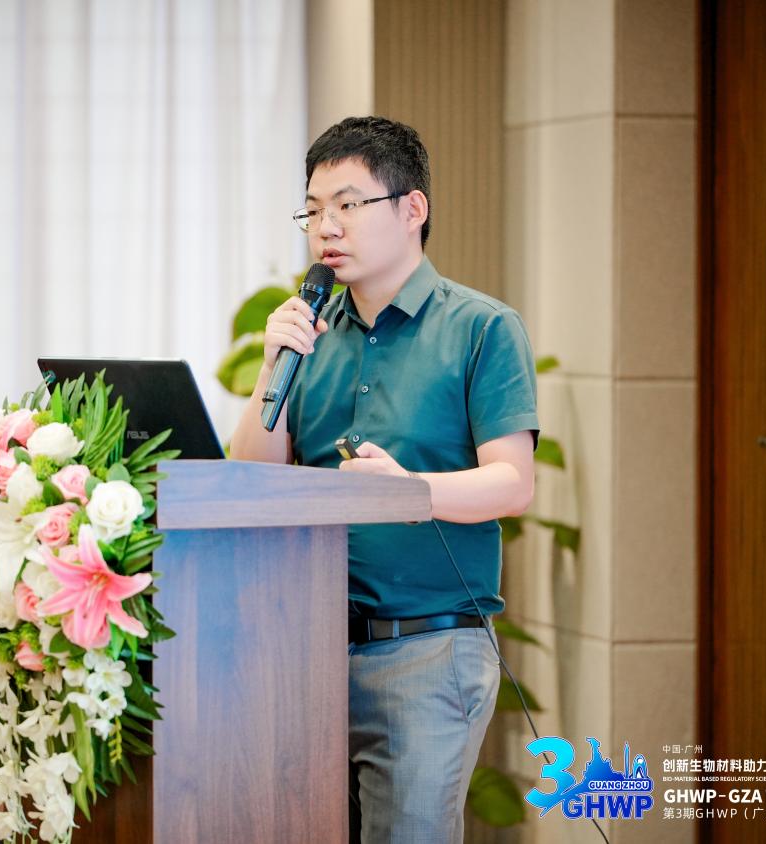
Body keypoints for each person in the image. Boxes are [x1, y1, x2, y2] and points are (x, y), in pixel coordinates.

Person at [230, 116, 540, 842]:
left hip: (425, 653)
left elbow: (512, 483)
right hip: (304, 647)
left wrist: (407, 489)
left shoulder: (481, 328)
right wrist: (272, 367)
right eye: (313, 210)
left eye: (347, 204)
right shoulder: (309, 333)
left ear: (411, 209)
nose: (326, 227)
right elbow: (250, 479)